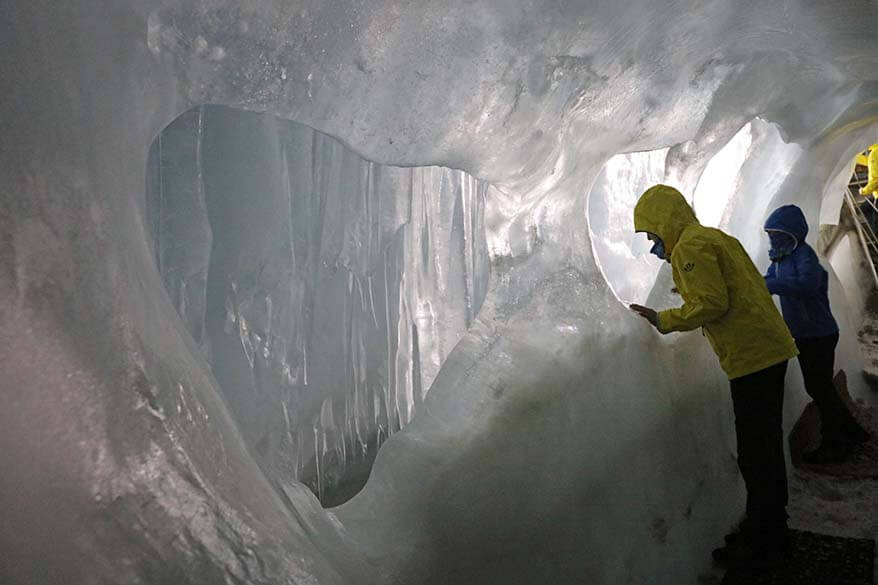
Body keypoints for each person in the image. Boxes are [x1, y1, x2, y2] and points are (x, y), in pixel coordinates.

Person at [629, 185, 798, 569]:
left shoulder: (689, 247)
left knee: (758, 455)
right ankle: (769, 528)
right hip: (768, 349)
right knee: (764, 450)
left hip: (753, 357)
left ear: (665, 223)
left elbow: (712, 302)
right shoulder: (712, 237)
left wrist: (663, 319)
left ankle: (767, 542)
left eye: (653, 235)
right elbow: (732, 286)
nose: (654, 246)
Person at [763, 204, 870, 463]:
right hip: (805, 334)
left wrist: (771, 285)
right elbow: (766, 281)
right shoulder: (779, 259)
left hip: (819, 333)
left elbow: (808, 284)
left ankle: (837, 442)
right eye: (772, 234)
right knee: (820, 387)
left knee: (819, 387)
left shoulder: (804, 255)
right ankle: (851, 434)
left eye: (780, 234)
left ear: (794, 233)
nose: (775, 239)